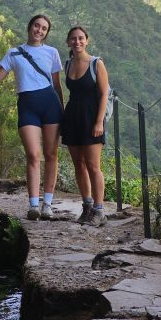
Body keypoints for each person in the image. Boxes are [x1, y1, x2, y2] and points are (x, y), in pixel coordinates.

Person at [0, 14, 64, 221]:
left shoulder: (52, 53)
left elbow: (57, 85)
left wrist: (63, 112)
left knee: (51, 154)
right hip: (27, 107)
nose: (39, 30)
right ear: (30, 27)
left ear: (46, 33)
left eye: (44, 28)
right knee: (33, 155)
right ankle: (34, 205)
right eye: (37, 26)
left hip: (51, 107)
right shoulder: (14, 53)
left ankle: (47, 204)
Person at [61, 26, 109, 227]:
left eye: (81, 38)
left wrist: (99, 122)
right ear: (68, 42)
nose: (77, 42)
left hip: (91, 116)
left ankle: (99, 211)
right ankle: (87, 207)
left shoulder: (96, 64)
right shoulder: (68, 63)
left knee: (93, 165)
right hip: (72, 116)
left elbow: (105, 93)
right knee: (78, 164)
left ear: (87, 40)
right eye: (73, 39)